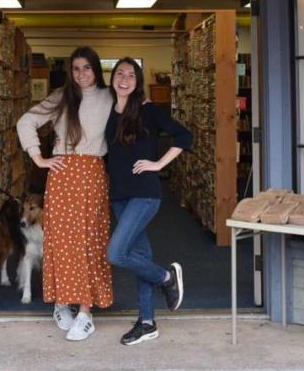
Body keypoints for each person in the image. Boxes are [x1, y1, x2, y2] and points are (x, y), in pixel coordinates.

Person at [16, 46, 114, 341]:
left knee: (89, 239)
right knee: (59, 240)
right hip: (61, 174)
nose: (81, 74)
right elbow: (25, 121)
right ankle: (61, 302)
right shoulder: (61, 97)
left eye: (87, 68)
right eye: (76, 69)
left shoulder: (110, 97)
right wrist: (38, 157)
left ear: (96, 69)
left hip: (93, 173)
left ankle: (86, 311)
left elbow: (138, 114)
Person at [105, 57, 192, 345]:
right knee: (139, 256)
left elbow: (184, 136)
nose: (124, 79)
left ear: (138, 81)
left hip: (144, 194)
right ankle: (147, 322)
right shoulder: (108, 110)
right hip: (119, 196)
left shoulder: (148, 111)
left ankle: (166, 277)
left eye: (131, 74)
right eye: (120, 73)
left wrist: (157, 164)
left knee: (116, 253)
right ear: (112, 77)